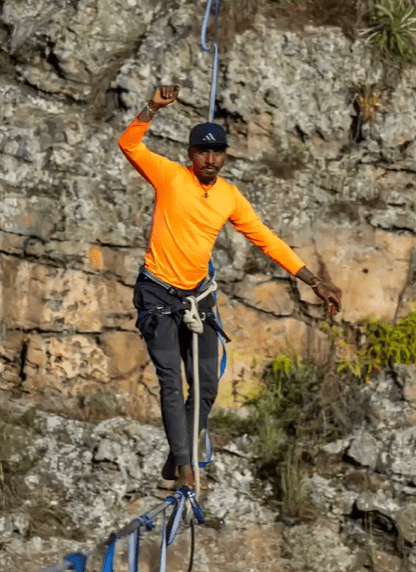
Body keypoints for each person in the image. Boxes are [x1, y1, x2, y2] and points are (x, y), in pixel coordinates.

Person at [118, 85, 341, 490]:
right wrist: (153, 107)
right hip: (158, 295)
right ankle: (185, 468)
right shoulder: (170, 176)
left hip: (197, 298)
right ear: (190, 155)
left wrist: (314, 281)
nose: (209, 158)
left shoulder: (229, 197)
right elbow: (129, 144)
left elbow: (267, 240)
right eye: (202, 152)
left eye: (217, 152)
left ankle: (178, 458)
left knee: (205, 385)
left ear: (224, 156)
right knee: (171, 379)